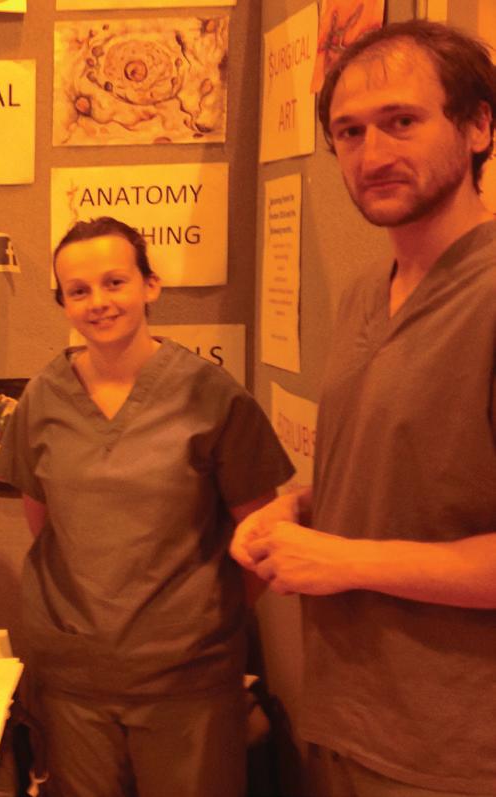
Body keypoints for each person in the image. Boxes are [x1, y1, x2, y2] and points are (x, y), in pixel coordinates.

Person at [230, 20, 496, 796]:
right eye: (348, 132)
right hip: (347, 715)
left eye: (401, 121)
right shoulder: (361, 297)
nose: (372, 155)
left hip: (455, 749)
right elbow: (417, 475)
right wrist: (298, 506)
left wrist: (343, 561)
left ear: (478, 126)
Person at [0, 217, 294, 797]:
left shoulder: (212, 397)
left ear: (150, 285)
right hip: (75, 679)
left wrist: (195, 624)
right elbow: (47, 524)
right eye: (78, 290)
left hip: (189, 684)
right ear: (63, 304)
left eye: (115, 282)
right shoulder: (43, 399)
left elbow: (261, 539)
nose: (98, 302)